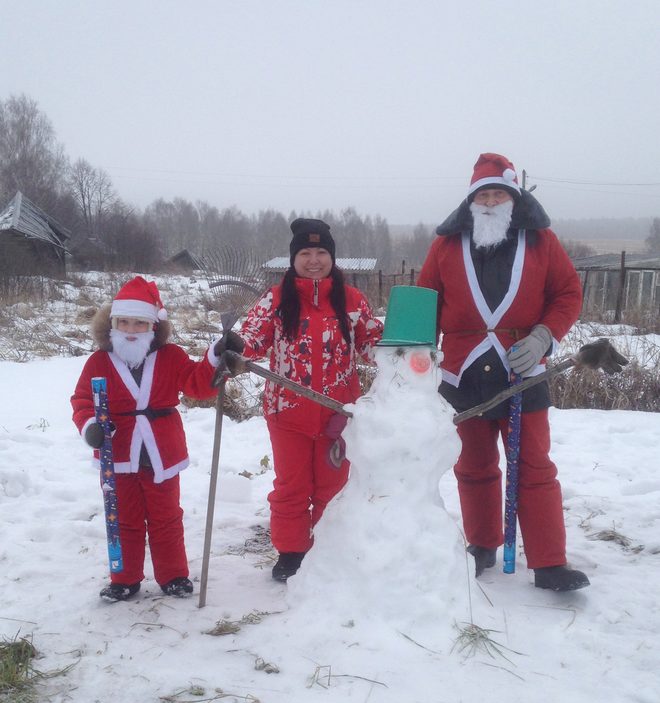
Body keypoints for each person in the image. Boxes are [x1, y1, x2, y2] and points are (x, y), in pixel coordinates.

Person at [417, 153, 589, 592]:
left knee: (533, 466)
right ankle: (482, 544)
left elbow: (567, 291)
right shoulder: (445, 245)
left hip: (524, 371)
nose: (491, 201)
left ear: (513, 197)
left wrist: (544, 336)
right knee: (473, 465)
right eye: (484, 195)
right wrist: (414, 356)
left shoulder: (541, 241)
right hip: (463, 373)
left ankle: (549, 562)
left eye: (499, 193)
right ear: (472, 201)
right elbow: (424, 301)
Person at [217, 218, 383, 582]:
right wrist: (234, 348)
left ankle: (327, 548)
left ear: (332, 257)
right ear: (293, 259)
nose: (313, 259)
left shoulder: (352, 301)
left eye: (321, 252)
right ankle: (291, 553)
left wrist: (406, 352)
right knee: (292, 487)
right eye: (305, 253)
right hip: (287, 413)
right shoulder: (275, 299)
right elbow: (253, 340)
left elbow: (373, 346)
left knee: (332, 487)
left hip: (339, 414)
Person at [72, 276, 223, 601]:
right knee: (123, 518)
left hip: (160, 453)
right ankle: (125, 578)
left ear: (153, 326)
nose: (130, 329)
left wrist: (214, 357)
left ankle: (173, 575)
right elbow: (82, 400)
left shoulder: (170, 357)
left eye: (139, 322)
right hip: (118, 453)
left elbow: (198, 384)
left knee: (166, 517)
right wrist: (90, 427)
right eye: (123, 321)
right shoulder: (99, 361)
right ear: (111, 323)